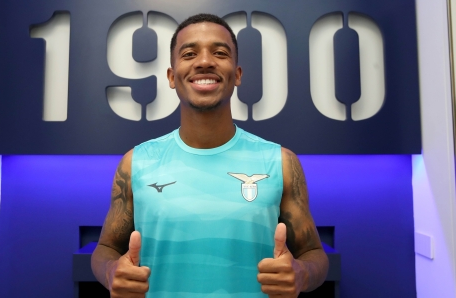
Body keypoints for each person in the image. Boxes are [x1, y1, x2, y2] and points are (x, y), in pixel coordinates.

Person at [91, 13, 328, 298]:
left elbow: (315, 254)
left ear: (237, 74)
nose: (204, 61)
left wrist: (301, 274)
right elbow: (105, 249)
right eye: (189, 53)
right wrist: (111, 271)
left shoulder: (280, 162)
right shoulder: (137, 163)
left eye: (220, 52)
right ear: (171, 76)